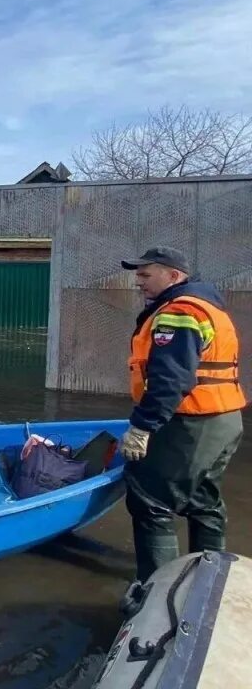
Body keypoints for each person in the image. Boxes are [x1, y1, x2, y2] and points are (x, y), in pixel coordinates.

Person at [119, 246, 245, 582]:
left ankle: (156, 591)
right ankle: (209, 579)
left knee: (150, 502)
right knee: (203, 500)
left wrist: (142, 427)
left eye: (145, 274)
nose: (137, 282)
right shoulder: (209, 307)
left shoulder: (180, 312)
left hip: (191, 421)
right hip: (225, 418)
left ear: (173, 276)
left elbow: (170, 379)